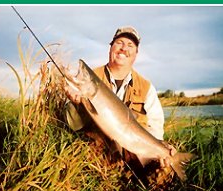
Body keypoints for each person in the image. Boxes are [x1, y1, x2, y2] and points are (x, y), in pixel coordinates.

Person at [63, 26, 176, 171]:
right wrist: (75, 104)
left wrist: (162, 149)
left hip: (135, 150)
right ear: (110, 48)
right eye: (119, 42)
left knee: (164, 171)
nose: (124, 48)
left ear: (136, 53)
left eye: (130, 45)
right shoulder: (93, 77)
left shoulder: (146, 87)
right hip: (97, 151)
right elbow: (72, 124)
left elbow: (156, 125)